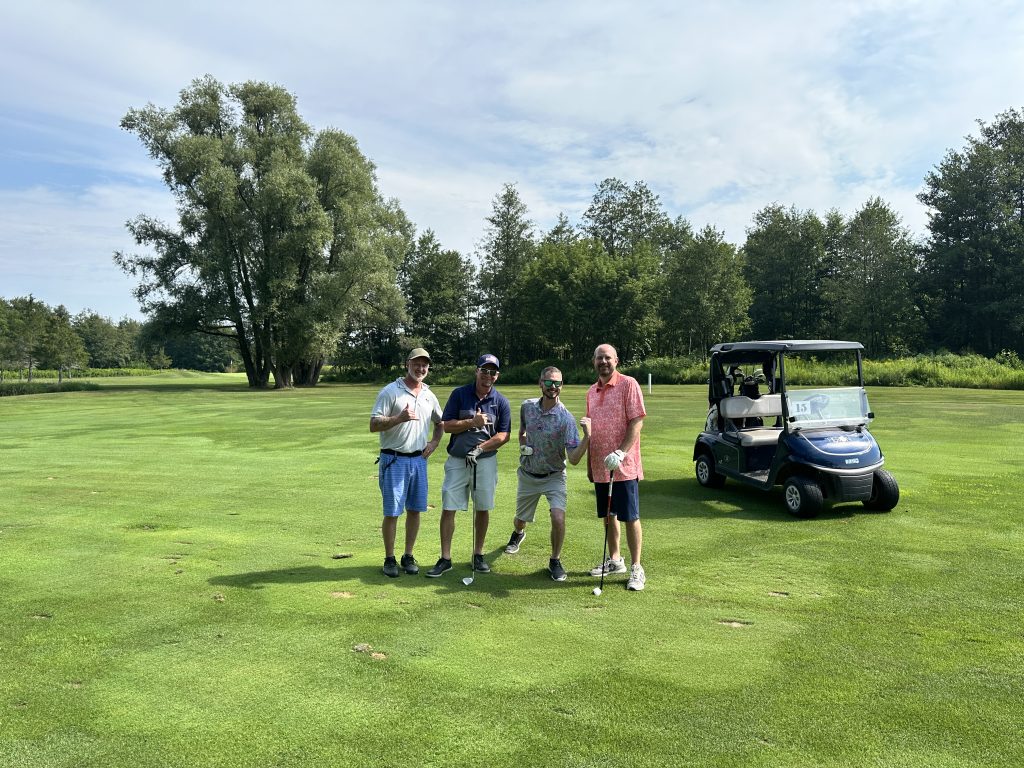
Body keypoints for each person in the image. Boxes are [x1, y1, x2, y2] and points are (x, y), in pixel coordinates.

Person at [426, 354, 511, 578]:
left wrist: (481, 448)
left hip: (485, 461)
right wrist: (472, 422)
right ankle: (445, 558)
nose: (488, 375)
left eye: (493, 372)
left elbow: (504, 435)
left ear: (497, 375)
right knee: (449, 506)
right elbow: (447, 426)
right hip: (457, 460)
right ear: (477, 371)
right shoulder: (460, 394)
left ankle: (478, 554)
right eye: (484, 370)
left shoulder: (500, 401)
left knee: (482, 507)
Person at [502, 366, 590, 581]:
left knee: (558, 517)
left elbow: (575, 458)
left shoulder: (566, 419)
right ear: (540, 383)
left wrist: (588, 437)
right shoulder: (527, 407)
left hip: (554, 475)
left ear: (562, 386)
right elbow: (522, 430)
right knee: (520, 519)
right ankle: (519, 534)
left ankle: (555, 560)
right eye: (549, 382)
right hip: (528, 474)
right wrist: (523, 443)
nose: (553, 387)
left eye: (557, 383)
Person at [369, 348, 444, 578]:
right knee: (392, 512)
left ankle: (408, 555)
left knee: (415, 510)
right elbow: (374, 424)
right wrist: (398, 418)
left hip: (418, 461)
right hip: (394, 459)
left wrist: (434, 443)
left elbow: (441, 422)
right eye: (416, 364)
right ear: (407, 364)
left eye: (425, 365)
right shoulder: (391, 391)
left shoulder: (429, 395)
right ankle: (389, 558)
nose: (421, 368)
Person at [586, 343, 648, 591]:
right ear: (594, 361)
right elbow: (591, 429)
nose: (603, 362)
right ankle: (615, 560)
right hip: (600, 465)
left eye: (608, 358)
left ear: (616, 360)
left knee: (630, 516)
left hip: (624, 465)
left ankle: (636, 567)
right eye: (599, 358)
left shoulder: (628, 384)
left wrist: (621, 452)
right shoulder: (591, 391)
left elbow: (636, 422)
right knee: (608, 516)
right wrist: (591, 464)